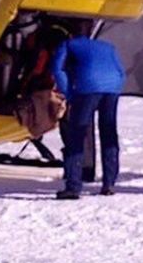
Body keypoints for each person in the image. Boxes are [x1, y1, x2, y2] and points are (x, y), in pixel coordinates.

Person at [51, 20, 126, 199]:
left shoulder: (68, 44)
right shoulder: (107, 46)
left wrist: (69, 93)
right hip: (112, 88)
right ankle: (109, 184)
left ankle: (73, 187)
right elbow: (121, 72)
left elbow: (57, 68)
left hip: (87, 88)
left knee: (76, 135)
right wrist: (115, 88)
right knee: (108, 133)